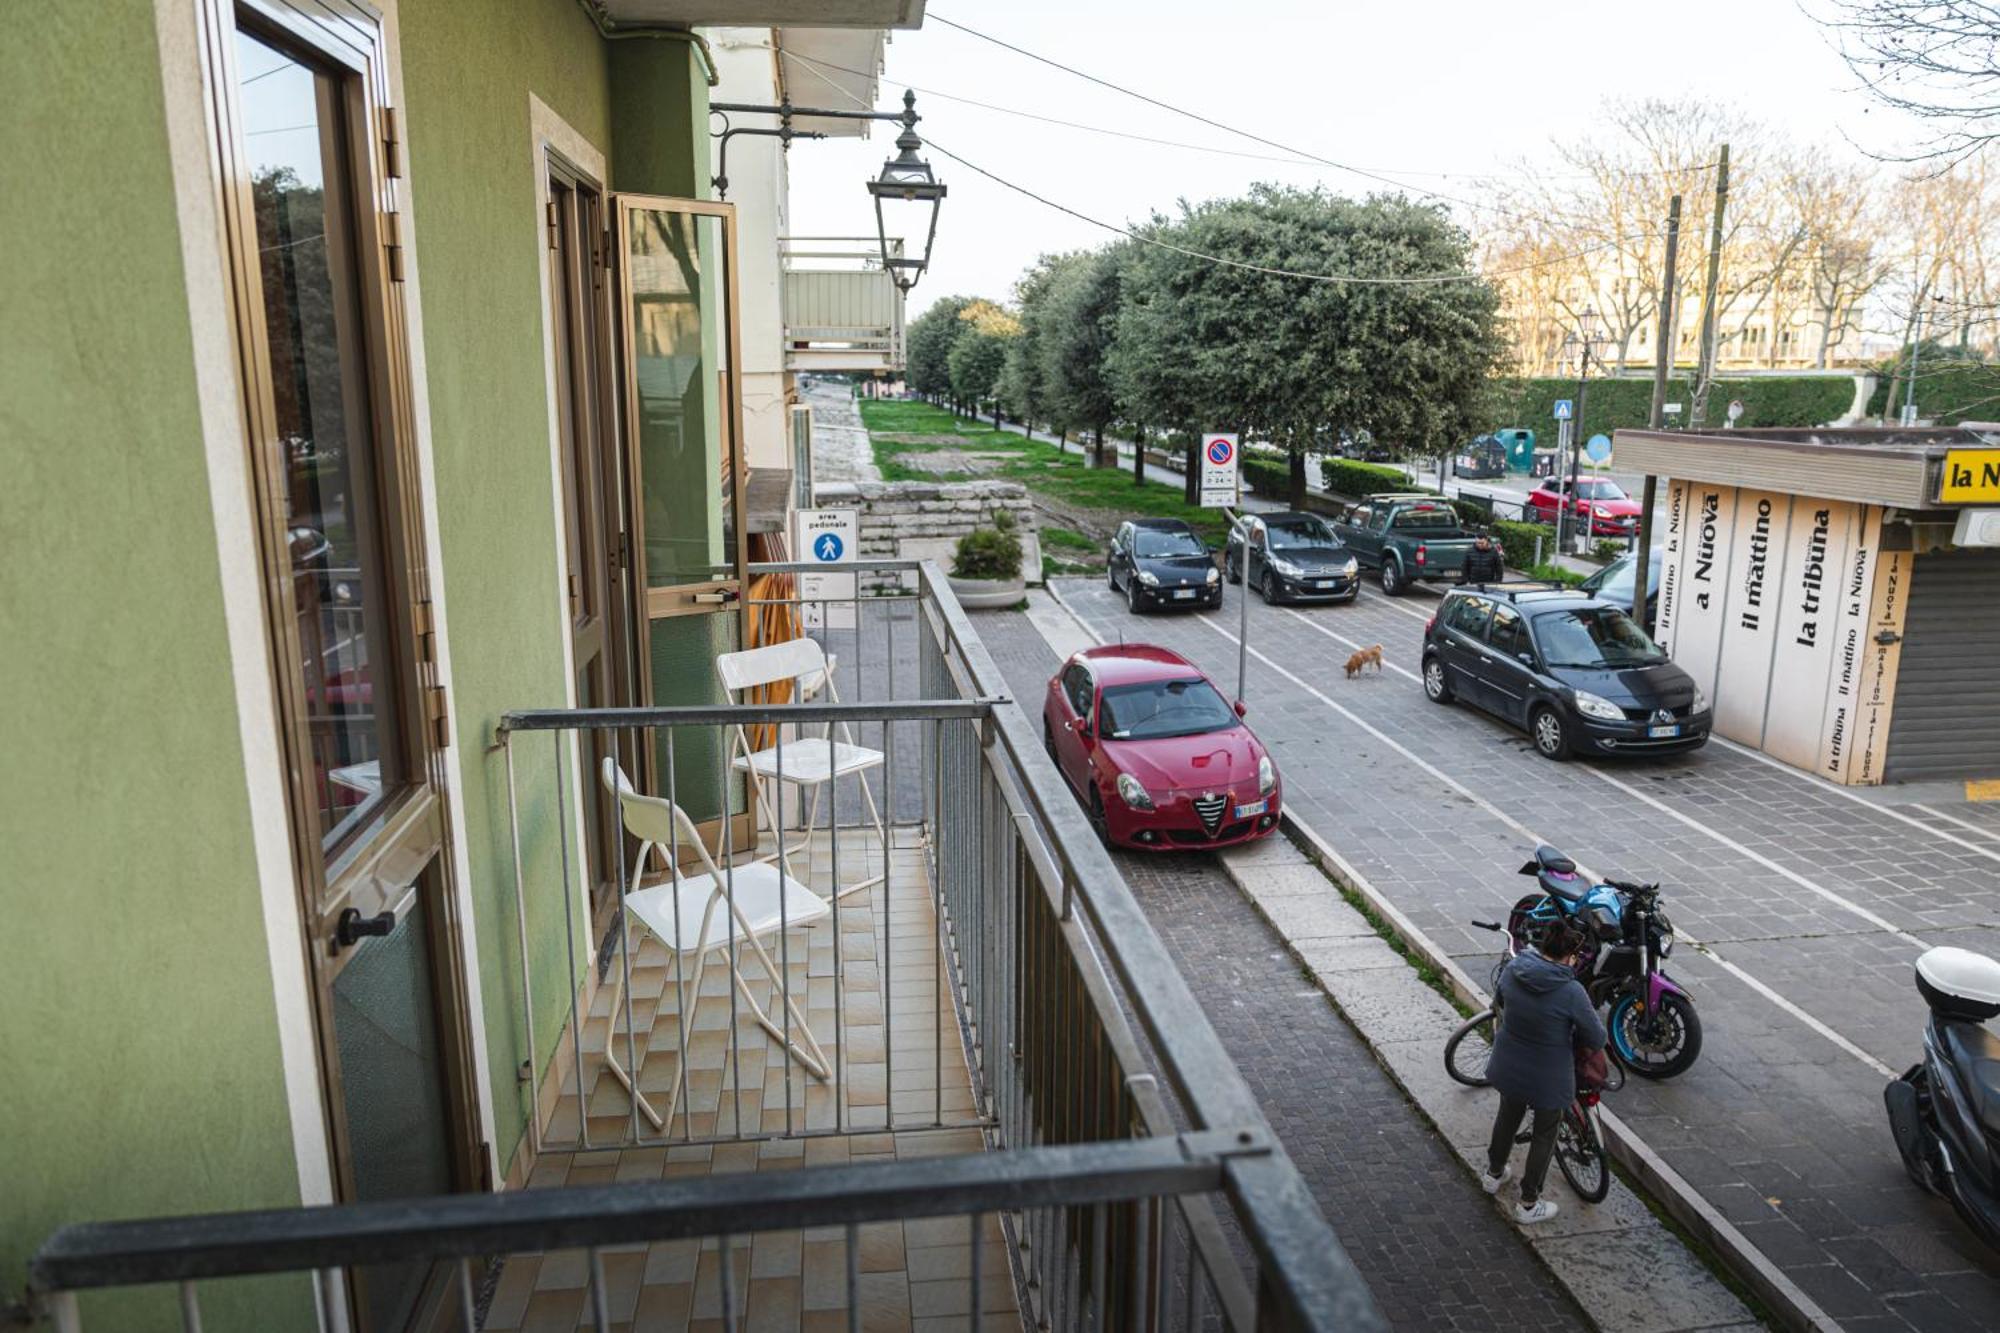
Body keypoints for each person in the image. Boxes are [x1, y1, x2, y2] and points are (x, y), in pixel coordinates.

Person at [1480, 921, 1607, 1222]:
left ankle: (1493, 1174)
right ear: (1570, 957)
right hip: (1548, 1077)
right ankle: (1528, 1203)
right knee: (1544, 1134)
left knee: (1507, 1117)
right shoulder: (1571, 991)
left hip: (1509, 1064)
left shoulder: (1514, 969)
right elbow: (1597, 1037)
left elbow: (1499, 1001)